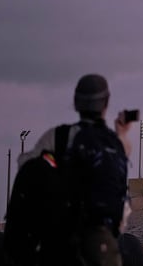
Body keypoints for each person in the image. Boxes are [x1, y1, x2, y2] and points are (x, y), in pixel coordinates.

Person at [16, 73, 133, 266]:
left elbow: (25, 168)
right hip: (102, 243)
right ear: (106, 103)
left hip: (60, 239)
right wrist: (121, 133)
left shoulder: (57, 138)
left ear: (75, 102)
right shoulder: (117, 144)